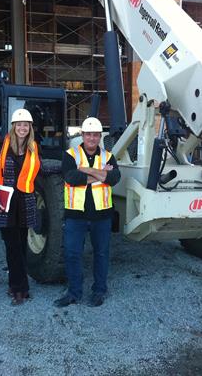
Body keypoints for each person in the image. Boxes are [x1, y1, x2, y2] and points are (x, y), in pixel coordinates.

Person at [54, 117, 121, 308]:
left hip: (102, 216)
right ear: (82, 135)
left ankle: (99, 291)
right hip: (76, 215)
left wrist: (85, 170)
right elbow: (71, 177)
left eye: (96, 135)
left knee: (101, 254)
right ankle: (74, 293)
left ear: (100, 136)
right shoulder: (70, 155)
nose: (92, 138)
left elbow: (114, 178)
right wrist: (101, 174)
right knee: (72, 254)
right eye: (88, 134)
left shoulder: (108, 156)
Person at [0, 108, 41, 305]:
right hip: (6, 204)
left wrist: (64, 168)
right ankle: (21, 289)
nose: (22, 128)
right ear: (13, 126)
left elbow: (39, 169)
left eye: (26, 125)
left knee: (21, 247)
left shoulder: (33, 148)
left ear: (30, 128)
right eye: (19, 125)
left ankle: (14, 284)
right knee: (13, 247)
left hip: (24, 204)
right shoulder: (1, 147)